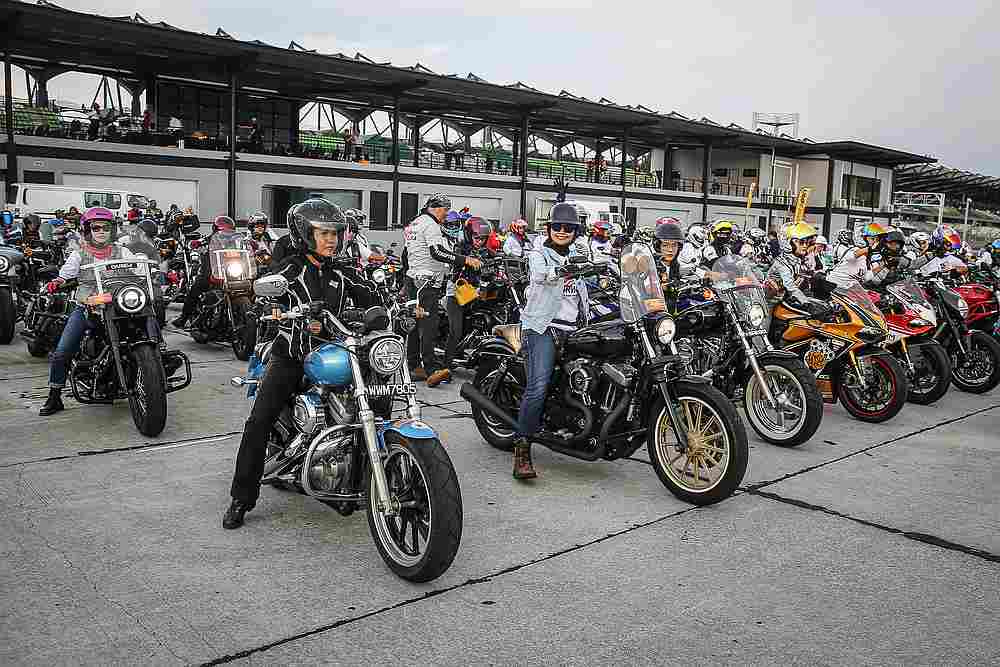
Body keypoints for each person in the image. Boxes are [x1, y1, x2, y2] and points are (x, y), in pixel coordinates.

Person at [223, 198, 379, 529]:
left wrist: (393, 307)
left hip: (335, 355)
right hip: (292, 355)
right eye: (323, 233)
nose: (331, 240)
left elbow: (371, 294)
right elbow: (264, 289)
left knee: (374, 400)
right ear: (304, 234)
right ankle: (242, 496)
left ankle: (358, 479)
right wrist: (269, 305)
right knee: (259, 421)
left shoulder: (342, 270)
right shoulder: (290, 267)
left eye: (335, 233)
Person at [512, 202, 592, 480]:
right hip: (542, 327)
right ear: (548, 228)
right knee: (538, 386)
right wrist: (567, 270)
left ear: (575, 231)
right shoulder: (538, 253)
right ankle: (522, 446)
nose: (561, 231)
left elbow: (589, 278)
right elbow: (540, 276)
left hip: (574, 328)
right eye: (556, 226)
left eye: (568, 227)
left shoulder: (579, 252)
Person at [39, 208, 138, 416]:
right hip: (88, 306)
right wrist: (57, 282)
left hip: (119, 304)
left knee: (147, 315)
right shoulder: (79, 254)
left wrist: (155, 273)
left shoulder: (123, 251)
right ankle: (54, 395)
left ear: (113, 230)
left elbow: (139, 268)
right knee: (62, 352)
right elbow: (66, 274)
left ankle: (157, 356)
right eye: (96, 227)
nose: (101, 231)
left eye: (106, 227)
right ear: (88, 230)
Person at [403, 194, 481, 388]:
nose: (446, 216)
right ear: (437, 208)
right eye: (445, 211)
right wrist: (465, 260)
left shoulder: (415, 223)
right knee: (429, 324)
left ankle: (413, 366)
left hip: (415, 279)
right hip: (426, 282)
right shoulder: (430, 225)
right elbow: (436, 252)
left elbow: (406, 254)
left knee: (415, 323)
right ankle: (431, 370)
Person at [764, 221, 830, 342]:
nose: (805, 246)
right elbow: (790, 286)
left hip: (784, 300)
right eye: (801, 242)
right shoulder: (782, 264)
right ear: (787, 244)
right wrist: (807, 303)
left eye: (807, 242)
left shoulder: (796, 261)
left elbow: (805, 276)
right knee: (762, 335)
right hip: (769, 302)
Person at [170, 215, 236, 329]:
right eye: (222, 230)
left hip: (231, 271)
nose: (226, 234)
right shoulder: (209, 239)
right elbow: (197, 243)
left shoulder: (237, 241)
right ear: (215, 230)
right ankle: (184, 317)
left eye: (228, 231)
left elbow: (246, 248)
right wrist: (196, 243)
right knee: (197, 286)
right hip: (211, 270)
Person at [829, 221, 886, 286]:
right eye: (873, 239)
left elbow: (864, 278)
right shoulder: (853, 250)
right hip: (833, 287)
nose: (876, 242)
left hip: (850, 289)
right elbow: (850, 256)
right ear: (862, 238)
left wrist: (883, 265)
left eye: (878, 240)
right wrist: (870, 249)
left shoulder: (867, 259)